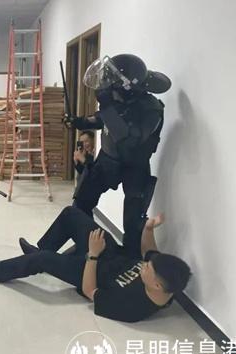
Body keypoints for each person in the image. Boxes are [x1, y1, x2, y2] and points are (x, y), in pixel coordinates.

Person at [0, 206, 191, 323]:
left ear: (156, 286)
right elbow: (149, 252)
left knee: (43, 261)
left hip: (91, 273)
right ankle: (42, 248)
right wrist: (149, 228)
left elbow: (89, 290)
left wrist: (93, 255)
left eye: (147, 269)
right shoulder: (165, 277)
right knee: (70, 215)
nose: (144, 265)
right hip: (111, 254)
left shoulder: (131, 308)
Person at [65, 55, 171, 258]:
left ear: (127, 84)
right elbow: (102, 119)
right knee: (82, 201)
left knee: (133, 221)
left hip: (135, 166)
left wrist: (107, 107)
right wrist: (79, 122)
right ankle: (87, 246)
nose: (106, 83)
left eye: (110, 78)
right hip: (108, 160)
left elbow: (129, 140)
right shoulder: (118, 97)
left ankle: (128, 260)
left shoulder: (151, 109)